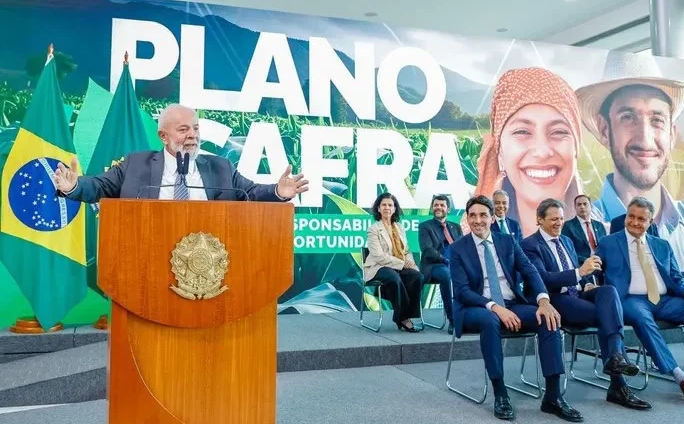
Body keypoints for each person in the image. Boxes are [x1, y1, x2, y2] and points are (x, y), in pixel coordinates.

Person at [576, 51, 684, 272]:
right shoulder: (587, 226)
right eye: (628, 117)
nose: (645, 139)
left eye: (657, 120)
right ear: (604, 130)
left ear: (672, 134)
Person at [450, 195, 582, 422]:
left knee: (547, 318)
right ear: (467, 218)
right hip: (475, 306)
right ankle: (500, 393)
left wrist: (543, 301)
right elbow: (462, 291)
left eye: (483, 215)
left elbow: (530, 271)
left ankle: (553, 397)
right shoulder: (457, 249)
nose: (477, 220)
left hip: (511, 303)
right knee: (490, 320)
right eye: (472, 215)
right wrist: (495, 307)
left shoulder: (507, 242)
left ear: (492, 218)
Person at [596, 196, 684, 402]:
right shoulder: (608, 242)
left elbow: (675, 276)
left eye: (641, 219)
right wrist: (589, 283)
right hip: (630, 299)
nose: (634, 222)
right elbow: (593, 269)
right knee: (643, 319)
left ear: (650, 221)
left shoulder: (662, 245)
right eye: (631, 216)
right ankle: (680, 377)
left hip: (665, 299)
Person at [521, 199, 650, 410]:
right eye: (553, 219)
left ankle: (615, 356)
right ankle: (618, 382)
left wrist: (587, 282)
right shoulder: (529, 245)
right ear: (539, 220)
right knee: (606, 315)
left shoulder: (566, 241)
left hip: (578, 293)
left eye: (561, 218)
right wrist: (579, 273)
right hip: (554, 298)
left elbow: (580, 273)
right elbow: (542, 279)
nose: (559, 223)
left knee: (608, 291)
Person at [53, 104, 308, 202]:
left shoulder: (221, 167)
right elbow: (98, 186)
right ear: (163, 136)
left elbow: (251, 193)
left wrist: (278, 191)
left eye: (195, 129)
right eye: (183, 129)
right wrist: (73, 186)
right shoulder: (135, 165)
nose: (192, 135)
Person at [470, 67, 583, 238]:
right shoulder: (475, 243)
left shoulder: (602, 234)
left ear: (575, 149)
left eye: (559, 132)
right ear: (500, 152)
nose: (542, 152)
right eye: (522, 132)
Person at [364, 192, 424, 332]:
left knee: (417, 276)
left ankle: (405, 315)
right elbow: (378, 256)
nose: (387, 208)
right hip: (378, 267)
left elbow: (406, 251)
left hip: (397, 266)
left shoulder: (399, 227)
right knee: (394, 278)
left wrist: (411, 264)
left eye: (390, 205)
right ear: (378, 208)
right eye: (384, 205)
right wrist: (402, 264)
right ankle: (403, 319)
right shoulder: (374, 229)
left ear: (395, 208)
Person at [418, 195, 461, 333]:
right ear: (432, 208)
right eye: (436, 205)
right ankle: (453, 320)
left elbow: (462, 248)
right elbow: (427, 250)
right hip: (434, 266)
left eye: (442, 205)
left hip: (455, 265)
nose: (438, 208)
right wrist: (446, 261)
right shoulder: (425, 226)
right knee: (446, 275)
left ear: (448, 209)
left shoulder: (456, 227)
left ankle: (472, 316)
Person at [561, 194, 607, 265]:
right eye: (579, 205)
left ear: (590, 206)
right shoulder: (568, 226)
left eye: (585, 204)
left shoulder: (599, 225)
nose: (582, 207)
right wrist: (587, 261)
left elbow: (605, 245)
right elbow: (567, 250)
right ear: (575, 208)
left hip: (601, 262)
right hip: (582, 264)